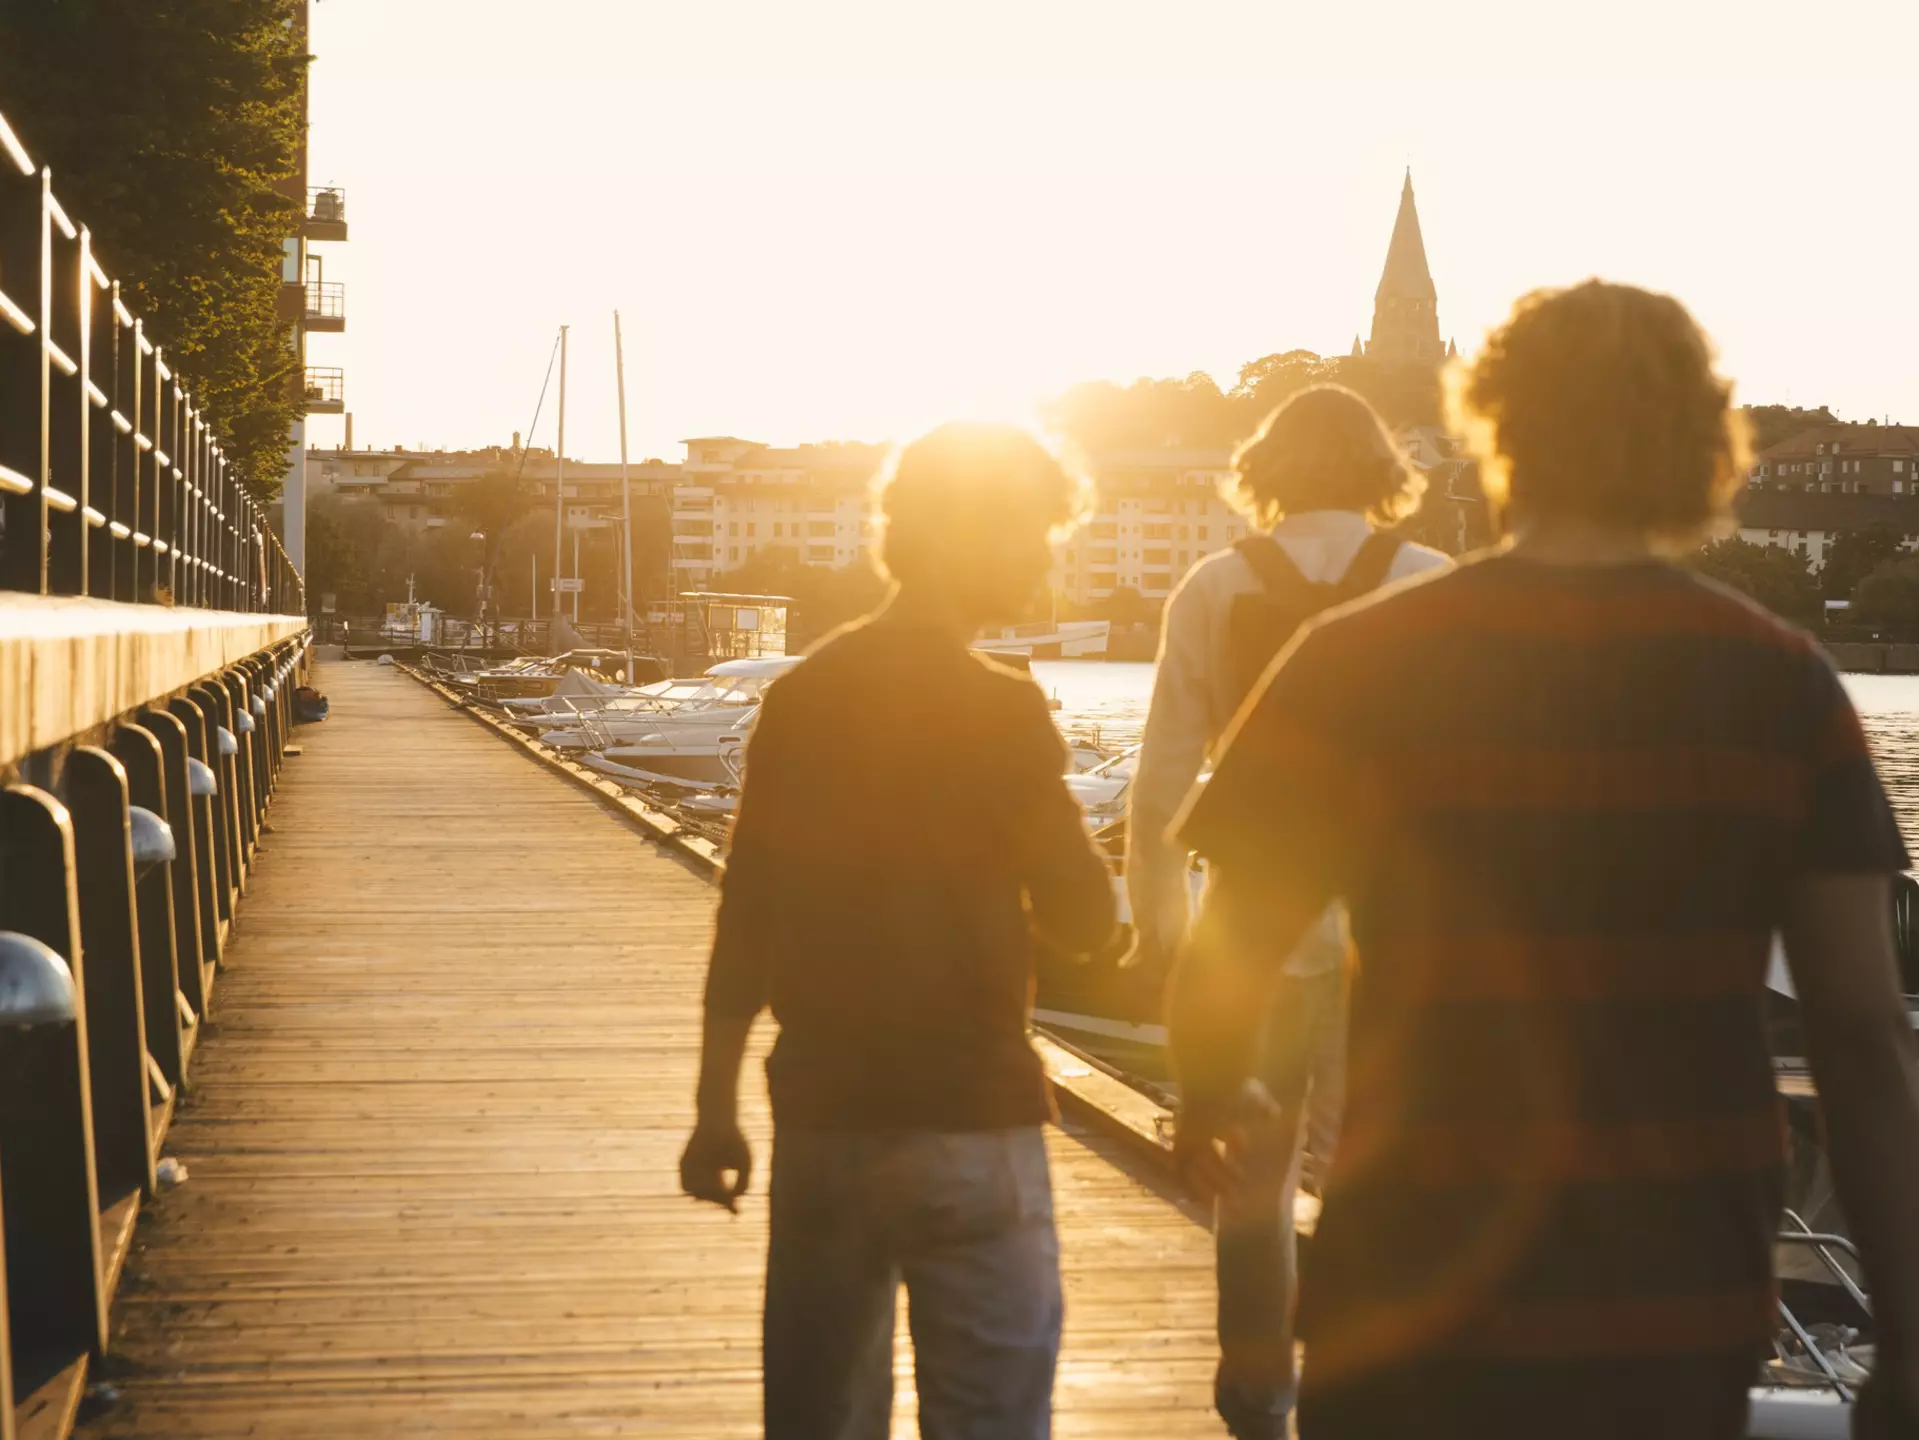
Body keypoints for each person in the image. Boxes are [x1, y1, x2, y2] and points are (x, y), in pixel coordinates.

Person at [1167, 280, 1919, 1438]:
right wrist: (1908, 1340)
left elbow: (1233, 943)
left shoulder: (1355, 664)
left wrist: (1212, 1087)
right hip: (1673, 1289)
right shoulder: (1781, 686)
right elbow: (1860, 1034)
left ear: (1493, 429)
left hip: (1414, 1274)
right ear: (1699, 443)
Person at [680, 422, 1117, 1440]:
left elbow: (747, 914)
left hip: (829, 1116)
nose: (1048, 558)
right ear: (978, 537)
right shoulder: (1002, 711)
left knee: (821, 1417)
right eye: (1037, 536)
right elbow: (1084, 919)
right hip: (974, 1115)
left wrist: (713, 1109)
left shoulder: (803, 697)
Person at [1126, 384, 1448, 1439]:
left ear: (1262, 472)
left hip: (1251, 923)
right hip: (1388, 936)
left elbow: (1164, 780)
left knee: (1249, 1184)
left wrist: (1162, 931)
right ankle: (1370, 1394)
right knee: (1378, 1176)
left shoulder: (1214, 587)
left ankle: (1255, 1398)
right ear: (1379, 474)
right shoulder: (1429, 583)